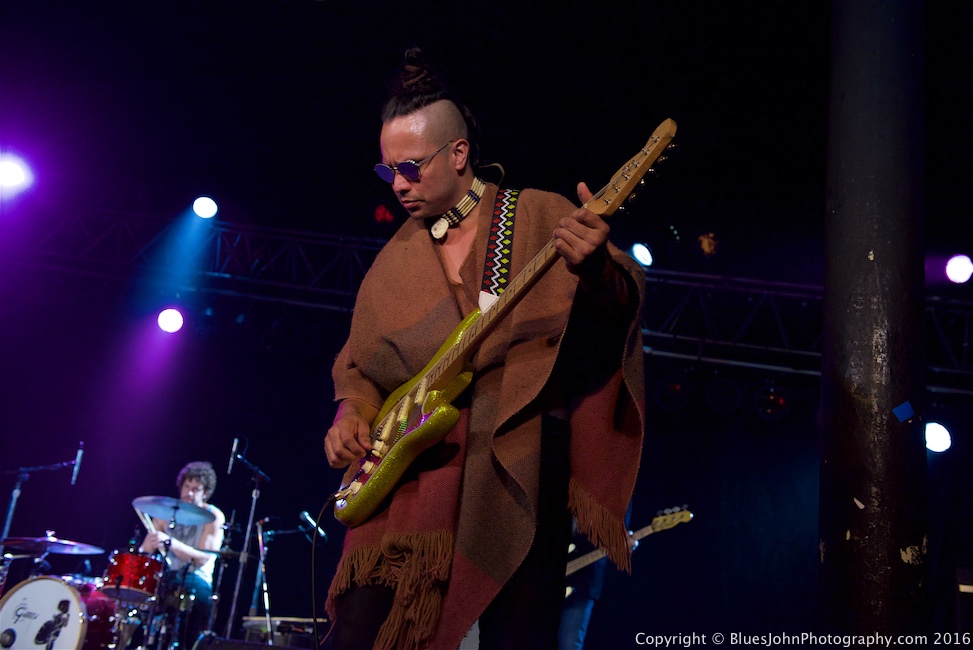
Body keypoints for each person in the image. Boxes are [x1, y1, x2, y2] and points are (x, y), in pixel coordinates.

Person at [324, 48, 645, 650]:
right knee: (362, 637)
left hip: (515, 465)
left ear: (460, 154)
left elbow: (615, 316)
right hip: (410, 480)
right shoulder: (392, 261)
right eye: (387, 169)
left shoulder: (537, 215)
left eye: (412, 167)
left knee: (518, 637)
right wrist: (351, 409)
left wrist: (598, 268)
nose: (398, 184)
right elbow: (362, 365)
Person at [139, 461, 226, 648]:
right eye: (187, 486)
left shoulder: (213, 516)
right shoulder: (166, 513)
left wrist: (170, 542)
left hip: (196, 579)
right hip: (168, 578)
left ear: (205, 492)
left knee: (197, 606)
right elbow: (144, 552)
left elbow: (202, 558)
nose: (190, 492)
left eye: (196, 489)